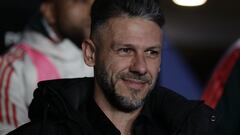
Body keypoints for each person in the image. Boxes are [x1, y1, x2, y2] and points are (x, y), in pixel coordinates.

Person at [8, 0, 217, 134]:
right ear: (90, 54)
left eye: (151, 52)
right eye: (125, 50)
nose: (141, 67)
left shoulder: (193, 126)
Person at [0, 0, 94, 133]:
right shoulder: (12, 67)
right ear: (49, 11)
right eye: (80, 1)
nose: (92, 9)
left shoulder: (96, 59)